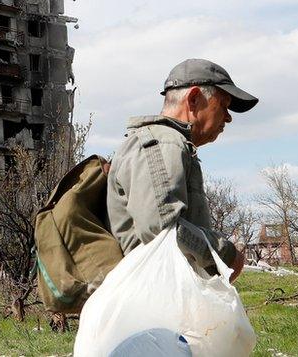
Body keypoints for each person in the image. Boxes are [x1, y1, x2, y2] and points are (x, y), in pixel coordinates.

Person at [106, 58, 258, 280]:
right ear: (194, 98)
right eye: (223, 105)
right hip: (154, 300)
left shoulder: (169, 143)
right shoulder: (164, 142)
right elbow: (161, 230)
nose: (228, 117)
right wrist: (225, 254)